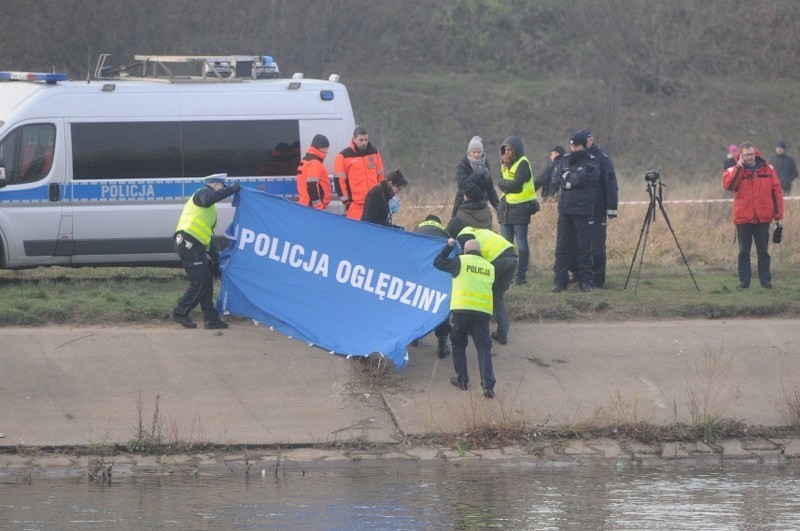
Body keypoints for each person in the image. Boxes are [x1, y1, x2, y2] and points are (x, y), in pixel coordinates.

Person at [171, 174, 240, 329]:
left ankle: (210, 319)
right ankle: (180, 312)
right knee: (200, 281)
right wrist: (231, 190)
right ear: (215, 184)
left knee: (206, 281)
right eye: (222, 186)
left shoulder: (210, 207)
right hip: (189, 242)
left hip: (196, 244)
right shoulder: (203, 193)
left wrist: (216, 258)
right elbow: (210, 198)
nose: (222, 190)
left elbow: (207, 234)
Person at [434, 237, 496, 399]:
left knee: (459, 345)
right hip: (482, 312)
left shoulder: (460, 261)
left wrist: (449, 246)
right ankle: (488, 386)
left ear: (466, 251)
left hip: (461, 311)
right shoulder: (490, 267)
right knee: (483, 348)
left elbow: (438, 262)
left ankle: (462, 380)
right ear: (480, 251)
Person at [722, 143, 784, 289]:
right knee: (744, 251)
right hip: (743, 217)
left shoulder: (768, 169)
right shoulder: (733, 169)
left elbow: (776, 192)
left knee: (763, 251)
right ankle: (744, 282)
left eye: (751, 154)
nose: (750, 157)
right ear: (741, 156)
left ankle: (766, 282)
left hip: (763, 217)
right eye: (746, 155)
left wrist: (778, 215)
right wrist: (739, 167)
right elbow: (729, 186)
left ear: (755, 153)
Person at [551, 130, 601, 292]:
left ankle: (585, 281)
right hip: (565, 210)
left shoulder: (592, 161)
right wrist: (572, 179)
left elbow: (585, 179)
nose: (573, 149)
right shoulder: (564, 159)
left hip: (583, 209)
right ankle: (560, 281)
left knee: (584, 247)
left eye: (577, 146)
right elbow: (557, 178)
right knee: (562, 246)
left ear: (583, 146)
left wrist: (570, 178)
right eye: (571, 146)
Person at [452, 224, 517, 346]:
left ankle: (476, 328)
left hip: (497, 259)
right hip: (511, 257)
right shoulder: (478, 231)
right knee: (497, 297)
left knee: (480, 292)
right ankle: (502, 333)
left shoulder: (463, 234)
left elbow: (468, 260)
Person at [497, 135, 538, 285]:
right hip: (506, 209)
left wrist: (504, 183)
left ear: (517, 150)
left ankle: (521, 277)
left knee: (521, 244)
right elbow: (500, 182)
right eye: (505, 150)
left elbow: (516, 185)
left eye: (510, 150)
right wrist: (505, 182)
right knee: (506, 245)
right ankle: (507, 276)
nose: (507, 153)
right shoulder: (504, 163)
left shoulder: (523, 163)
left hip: (521, 208)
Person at [412, 215, 453, 358]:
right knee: (440, 305)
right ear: (439, 222)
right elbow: (452, 248)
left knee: (417, 302)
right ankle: (442, 346)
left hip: (419, 269)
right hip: (437, 271)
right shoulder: (444, 230)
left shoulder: (418, 227)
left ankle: (414, 338)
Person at [584, 130, 619, 288]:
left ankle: (598, 279)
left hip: (598, 208)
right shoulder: (578, 158)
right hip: (582, 207)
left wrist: (612, 208)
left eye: (587, 140)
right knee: (581, 243)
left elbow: (611, 184)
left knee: (597, 245)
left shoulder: (602, 159)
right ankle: (582, 276)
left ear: (592, 140)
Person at [334, 126, 385, 220]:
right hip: (355, 206)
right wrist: (347, 203)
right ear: (353, 139)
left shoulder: (374, 153)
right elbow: (339, 182)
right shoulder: (343, 156)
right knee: (356, 233)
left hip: (374, 203)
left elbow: (380, 177)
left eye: (366, 140)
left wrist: (382, 197)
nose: (364, 142)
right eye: (361, 140)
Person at [451, 136, 499, 218]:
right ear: (469, 152)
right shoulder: (463, 165)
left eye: (479, 152)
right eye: (474, 152)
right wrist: (476, 174)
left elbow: (490, 189)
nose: (477, 154)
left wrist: (498, 206)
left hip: (481, 205)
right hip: (463, 205)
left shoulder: (485, 165)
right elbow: (462, 185)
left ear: (482, 153)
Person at [296, 134, 332, 210]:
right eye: (325, 148)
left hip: (306, 203)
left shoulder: (306, 160)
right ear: (320, 147)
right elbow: (312, 185)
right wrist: (318, 206)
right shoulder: (314, 162)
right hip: (312, 207)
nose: (326, 151)